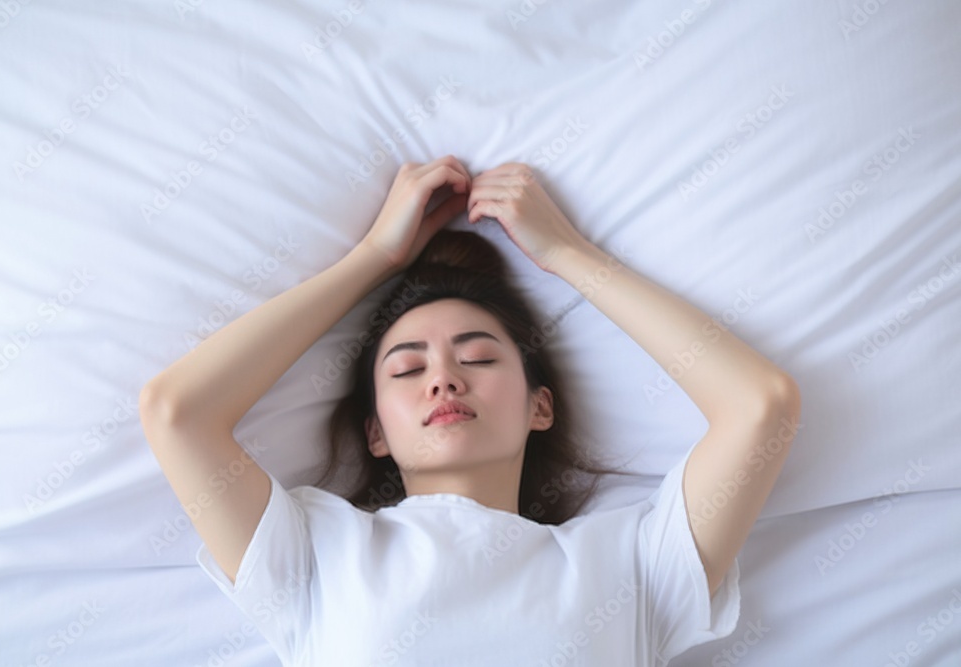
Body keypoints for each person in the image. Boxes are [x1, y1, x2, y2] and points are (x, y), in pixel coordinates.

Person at [140, 155, 801, 666]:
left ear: (541, 406)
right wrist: (373, 258)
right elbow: (177, 411)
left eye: (479, 357)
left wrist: (569, 254)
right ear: (375, 431)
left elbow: (760, 405)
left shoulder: (632, 564)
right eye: (406, 368)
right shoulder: (317, 556)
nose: (444, 379)